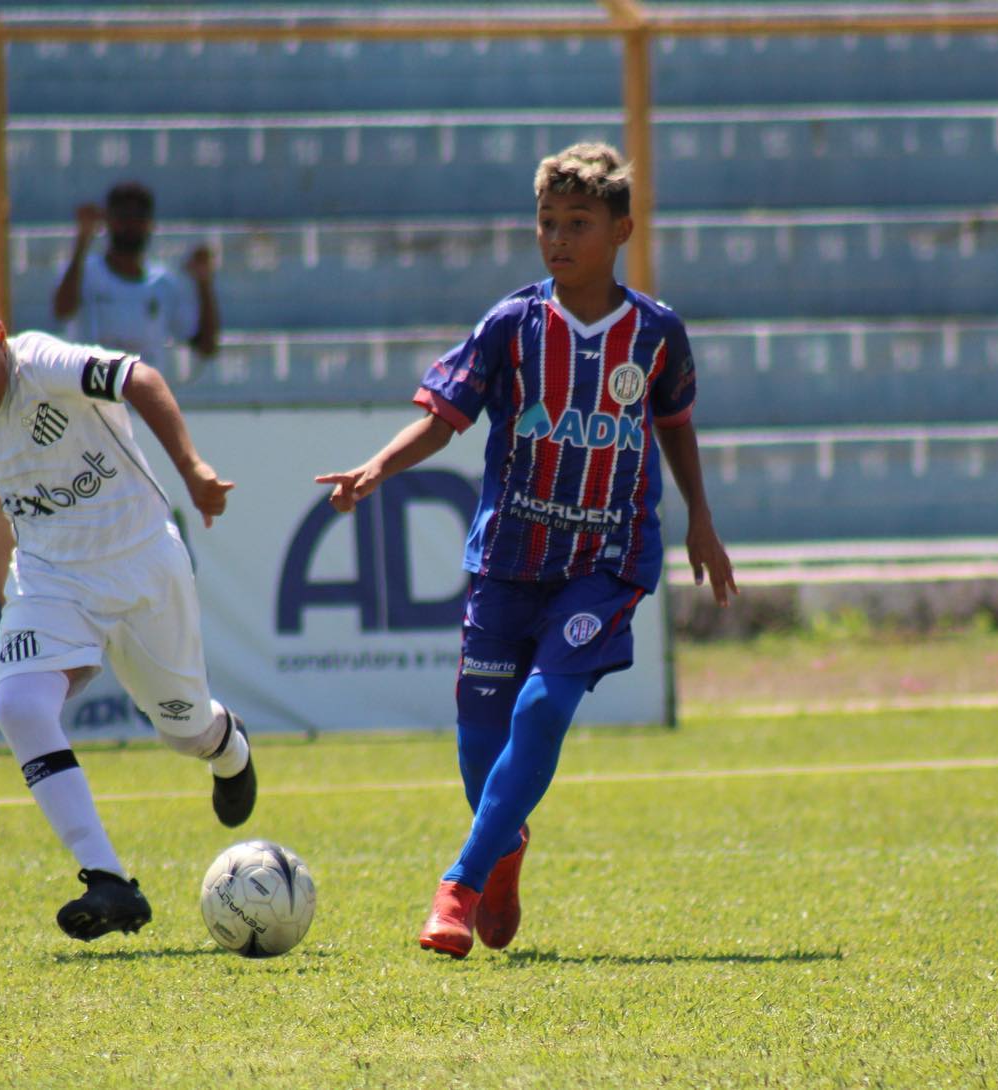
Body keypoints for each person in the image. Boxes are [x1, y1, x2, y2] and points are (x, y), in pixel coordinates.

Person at [315, 143, 737, 959]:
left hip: (607, 560)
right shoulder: (511, 325)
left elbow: (675, 424)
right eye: (547, 222)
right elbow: (445, 417)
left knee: (543, 710)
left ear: (621, 231)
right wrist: (377, 465)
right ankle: (504, 853)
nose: (558, 238)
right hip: (510, 556)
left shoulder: (656, 334)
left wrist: (701, 519)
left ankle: (459, 885)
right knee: (479, 742)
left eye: (578, 223)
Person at [0, 274, 255, 942]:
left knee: (182, 731)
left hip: (143, 562)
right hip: (50, 578)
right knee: (17, 704)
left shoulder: (44, 363)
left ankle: (226, 745)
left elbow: (140, 377)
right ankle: (109, 880)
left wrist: (193, 468)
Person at [51, 181, 219, 373]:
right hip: (91, 395)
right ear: (108, 221)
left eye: (139, 216)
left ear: (149, 224)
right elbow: (61, 311)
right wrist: (82, 241)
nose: (130, 225)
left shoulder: (163, 284)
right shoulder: (86, 272)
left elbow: (206, 347)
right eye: (123, 216)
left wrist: (204, 284)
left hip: (141, 395)